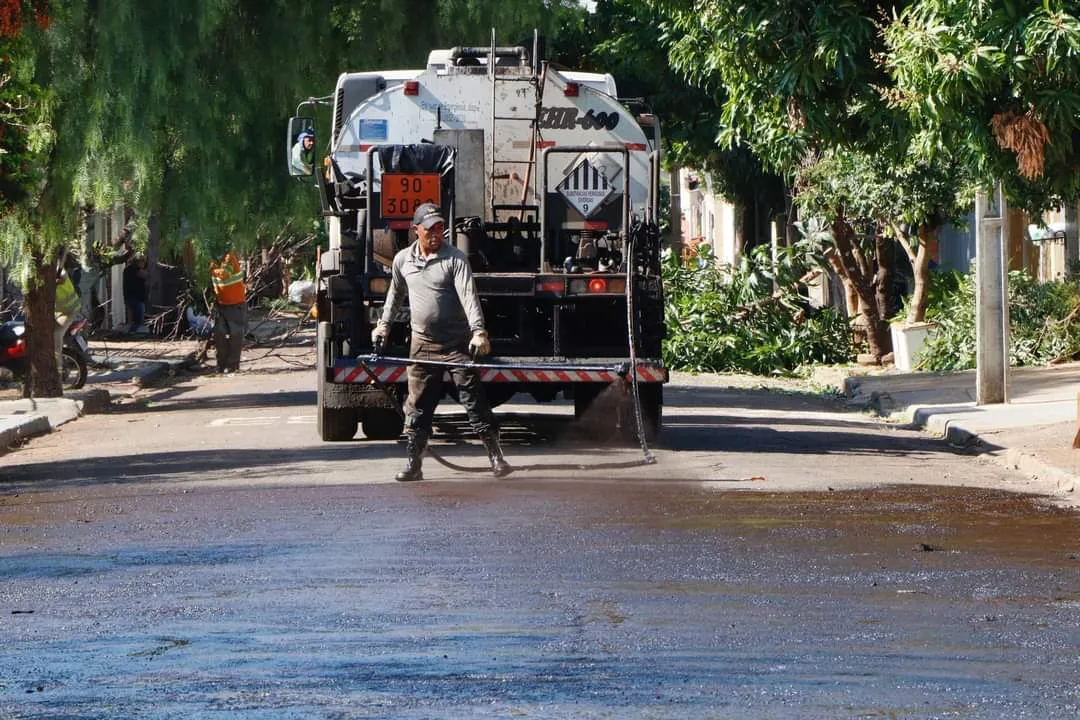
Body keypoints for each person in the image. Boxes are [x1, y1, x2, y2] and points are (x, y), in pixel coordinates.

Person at [372, 202, 510, 482]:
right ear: (416, 230)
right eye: (430, 229)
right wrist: (383, 327)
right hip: (422, 345)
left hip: (457, 344)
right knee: (418, 406)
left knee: (473, 401)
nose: (436, 234)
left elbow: (468, 296)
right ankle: (414, 464)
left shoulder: (455, 258)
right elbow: (394, 297)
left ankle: (496, 457)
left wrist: (479, 331)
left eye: (439, 229)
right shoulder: (402, 261)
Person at [210, 250, 246, 373]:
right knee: (219, 333)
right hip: (221, 304)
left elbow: (226, 273)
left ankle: (232, 365)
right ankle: (221, 363)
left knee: (235, 334)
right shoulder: (211, 257)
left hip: (236, 304)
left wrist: (210, 268)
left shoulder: (229, 256)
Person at [122, 255, 148, 333]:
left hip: (129, 297)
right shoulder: (134, 268)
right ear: (139, 262)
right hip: (136, 298)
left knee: (134, 319)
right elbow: (146, 275)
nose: (144, 264)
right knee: (138, 320)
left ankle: (131, 332)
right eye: (143, 262)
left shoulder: (127, 269)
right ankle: (132, 333)